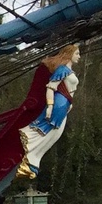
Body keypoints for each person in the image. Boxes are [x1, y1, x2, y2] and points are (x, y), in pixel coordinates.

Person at [17, 45, 80, 180]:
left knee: (55, 133)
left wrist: (70, 103)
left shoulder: (69, 70)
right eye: (77, 53)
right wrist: (50, 106)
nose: (79, 56)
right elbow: (51, 87)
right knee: (49, 128)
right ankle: (30, 153)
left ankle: (34, 157)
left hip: (66, 104)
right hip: (58, 103)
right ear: (69, 54)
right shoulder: (62, 69)